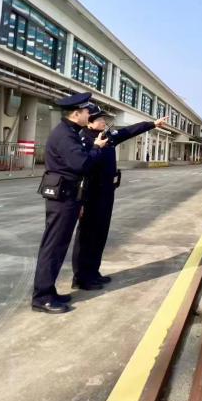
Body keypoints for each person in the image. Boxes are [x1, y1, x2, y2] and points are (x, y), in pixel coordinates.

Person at [71, 105, 167, 290]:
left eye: (104, 119)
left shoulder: (107, 136)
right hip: (90, 195)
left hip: (106, 193)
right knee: (86, 236)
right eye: (100, 119)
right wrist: (79, 200)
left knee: (100, 234)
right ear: (90, 122)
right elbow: (79, 171)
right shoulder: (83, 139)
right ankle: (81, 278)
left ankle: (93, 272)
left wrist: (153, 124)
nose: (104, 122)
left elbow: (129, 131)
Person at [31, 92, 108, 313]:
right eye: (86, 112)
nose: (89, 116)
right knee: (53, 247)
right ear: (76, 114)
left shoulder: (69, 132)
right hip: (62, 198)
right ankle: (42, 297)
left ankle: (49, 291)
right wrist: (96, 148)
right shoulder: (65, 135)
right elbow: (81, 164)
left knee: (58, 246)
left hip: (68, 196)